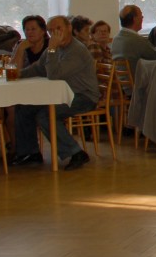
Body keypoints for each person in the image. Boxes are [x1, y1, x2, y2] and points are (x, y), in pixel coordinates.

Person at [11, 16, 99, 171]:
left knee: (45, 115)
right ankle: (30, 152)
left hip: (82, 97)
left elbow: (54, 74)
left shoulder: (76, 50)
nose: (55, 33)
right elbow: (39, 68)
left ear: (69, 28)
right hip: (60, 95)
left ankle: (76, 153)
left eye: (58, 29)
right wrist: (19, 74)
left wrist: (52, 49)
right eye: (51, 30)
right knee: (24, 107)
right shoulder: (54, 48)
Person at [111, 4, 156, 74]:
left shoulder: (116, 39)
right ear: (135, 19)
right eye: (141, 15)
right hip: (136, 79)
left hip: (120, 79)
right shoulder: (137, 40)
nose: (142, 17)